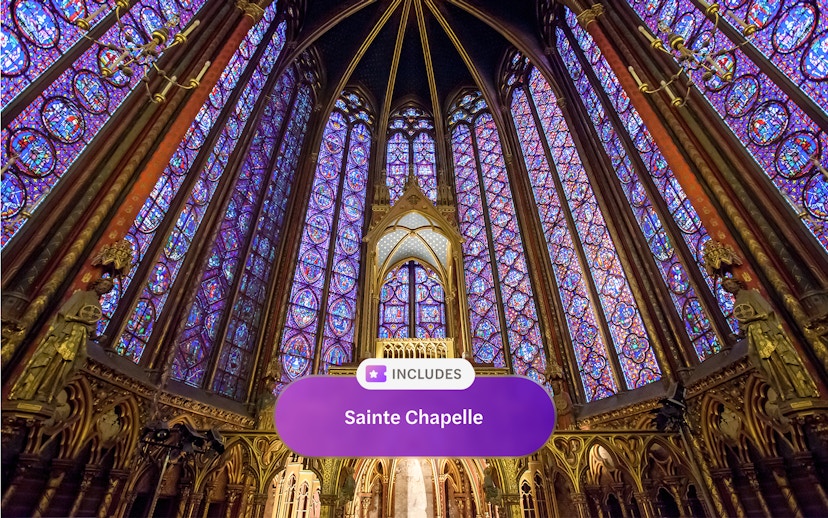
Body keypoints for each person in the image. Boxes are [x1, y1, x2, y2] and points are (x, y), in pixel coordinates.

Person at [10, 277, 114, 404]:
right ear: (97, 283)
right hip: (67, 332)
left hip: (80, 337)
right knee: (57, 359)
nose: (104, 288)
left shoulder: (97, 305)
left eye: (107, 287)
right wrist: (83, 322)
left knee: (70, 366)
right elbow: (65, 313)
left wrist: (97, 337)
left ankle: (51, 393)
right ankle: (40, 391)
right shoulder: (82, 295)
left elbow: (91, 329)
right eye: (104, 284)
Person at [722, 278, 818, 400]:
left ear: (736, 282)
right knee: (763, 363)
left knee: (775, 358)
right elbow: (743, 326)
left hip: (765, 331)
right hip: (753, 335)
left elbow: (766, 312)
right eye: (726, 286)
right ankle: (781, 390)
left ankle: (791, 388)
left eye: (730, 283)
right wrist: (738, 335)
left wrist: (750, 320)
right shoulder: (736, 303)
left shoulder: (751, 294)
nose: (729, 286)